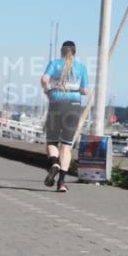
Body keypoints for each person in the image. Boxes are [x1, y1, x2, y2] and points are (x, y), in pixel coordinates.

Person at [40, 41, 89, 193]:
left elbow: (44, 80)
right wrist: (77, 91)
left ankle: (54, 163)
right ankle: (61, 183)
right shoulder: (81, 67)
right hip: (74, 105)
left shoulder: (54, 63)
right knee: (66, 146)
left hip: (56, 102)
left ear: (61, 52)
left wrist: (47, 91)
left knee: (52, 141)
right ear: (74, 53)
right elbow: (86, 90)